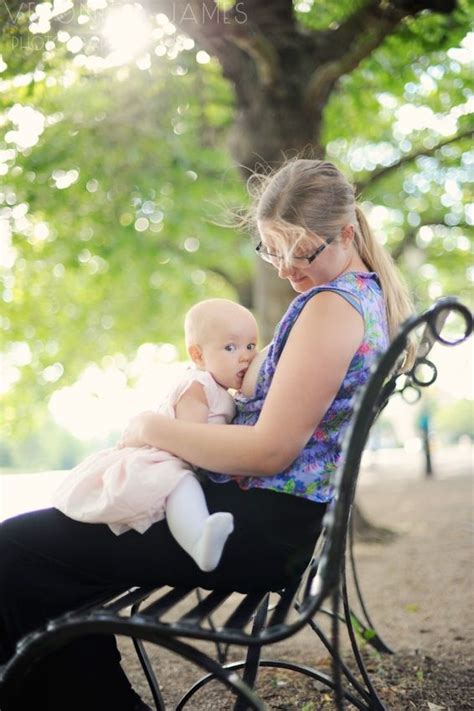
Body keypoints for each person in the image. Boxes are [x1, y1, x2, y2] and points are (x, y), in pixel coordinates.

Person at [0, 158, 414, 711]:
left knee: (15, 553)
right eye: (273, 252)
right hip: (267, 519)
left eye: (301, 253)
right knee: (40, 554)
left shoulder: (331, 308)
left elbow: (270, 451)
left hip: (254, 528)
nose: (287, 270)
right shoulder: (356, 296)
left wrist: (154, 428)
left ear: (345, 232)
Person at [52, 298, 259, 573]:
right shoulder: (198, 385)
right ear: (198, 355)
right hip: (164, 458)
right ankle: (198, 541)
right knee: (182, 487)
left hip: (175, 457)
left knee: (184, 485)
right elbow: (190, 438)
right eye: (230, 347)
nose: (245, 356)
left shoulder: (222, 393)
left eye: (251, 346)